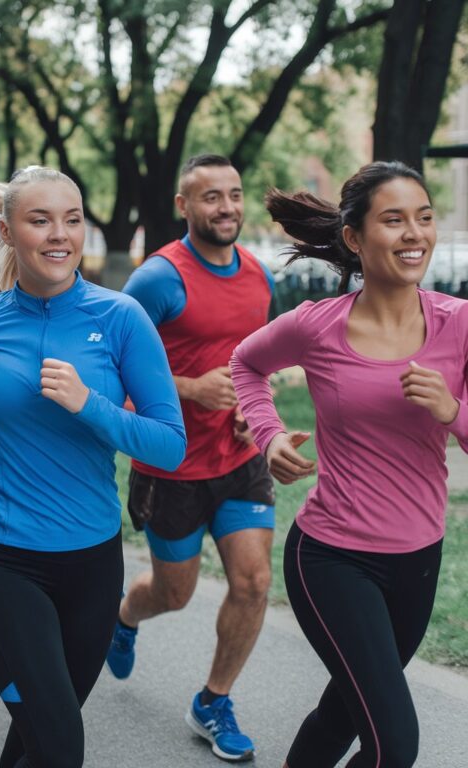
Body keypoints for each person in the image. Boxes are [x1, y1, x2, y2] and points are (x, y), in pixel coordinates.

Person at [0, 167, 186, 768]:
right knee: (60, 744)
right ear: (8, 234)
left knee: (38, 736)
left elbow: (169, 445)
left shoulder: (121, 319)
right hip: (0, 562)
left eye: (72, 219)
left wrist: (91, 406)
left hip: (93, 565)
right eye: (40, 221)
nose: (60, 235)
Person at [230, 161, 467, 768]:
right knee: (393, 745)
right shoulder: (318, 326)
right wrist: (270, 436)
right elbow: (245, 365)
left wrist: (452, 409)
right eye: (394, 220)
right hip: (331, 557)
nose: (414, 233)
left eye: (424, 217)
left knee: (342, 713)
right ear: (356, 239)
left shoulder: (458, 325)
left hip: (418, 560)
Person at [107, 153, 274, 763]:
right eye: (211, 197)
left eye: (234, 194)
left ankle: (213, 700)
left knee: (253, 582)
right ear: (185, 206)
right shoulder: (157, 279)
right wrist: (190, 387)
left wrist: (250, 398)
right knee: (174, 593)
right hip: (170, 466)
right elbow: (109, 370)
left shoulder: (259, 276)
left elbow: (254, 359)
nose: (226, 207)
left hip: (239, 456)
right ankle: (125, 614)